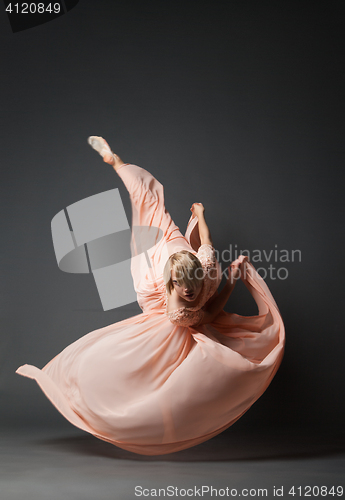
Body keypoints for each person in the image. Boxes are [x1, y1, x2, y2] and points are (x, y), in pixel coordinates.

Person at [16, 137, 285, 456]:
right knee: (149, 205)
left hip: (173, 254)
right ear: (172, 283)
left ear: (198, 273)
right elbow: (207, 313)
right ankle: (116, 162)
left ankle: (163, 424)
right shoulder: (176, 305)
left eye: (191, 286)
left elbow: (207, 247)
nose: (187, 291)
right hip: (159, 263)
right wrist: (229, 281)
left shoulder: (205, 265)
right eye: (181, 287)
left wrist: (200, 216)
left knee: (153, 207)